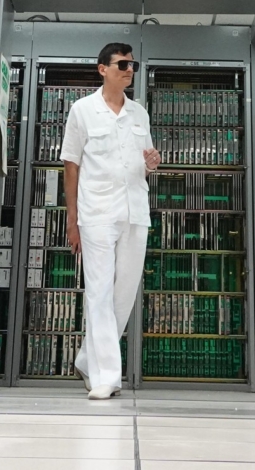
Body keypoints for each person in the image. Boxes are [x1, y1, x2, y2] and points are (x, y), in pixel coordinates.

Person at [61, 42, 160, 400]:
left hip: (135, 211)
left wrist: (152, 164)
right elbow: (70, 165)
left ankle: (88, 360)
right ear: (102, 69)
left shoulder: (139, 113)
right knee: (99, 292)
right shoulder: (82, 110)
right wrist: (73, 219)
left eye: (132, 65)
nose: (129, 70)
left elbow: (144, 164)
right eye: (122, 64)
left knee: (124, 293)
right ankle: (107, 376)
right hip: (97, 212)